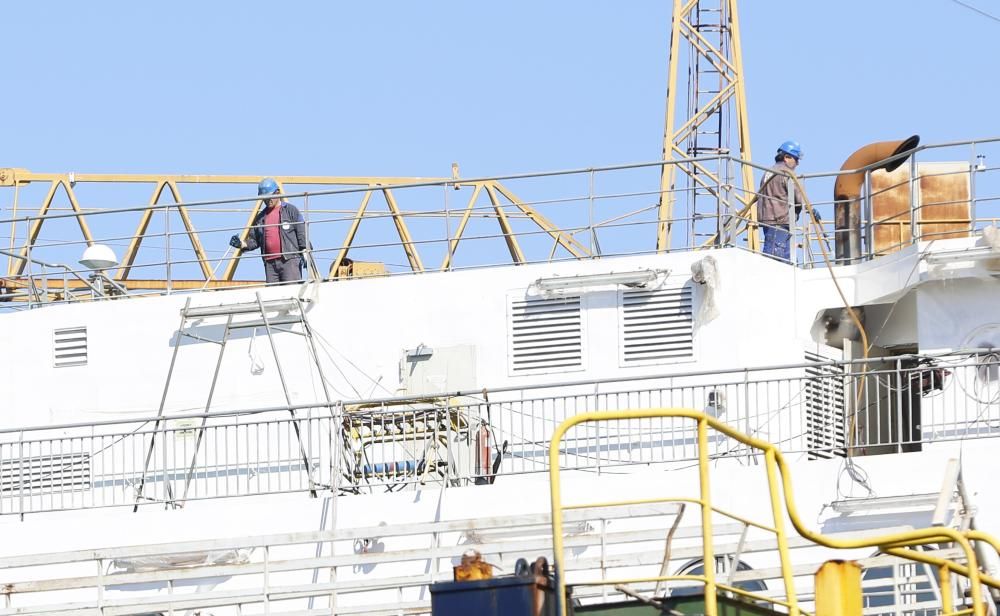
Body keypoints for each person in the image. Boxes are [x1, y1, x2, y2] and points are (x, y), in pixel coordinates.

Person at [229, 178, 308, 283]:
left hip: (289, 260)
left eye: (269, 197)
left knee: (291, 293)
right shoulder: (261, 218)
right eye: (264, 198)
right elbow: (254, 240)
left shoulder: (290, 210)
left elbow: (301, 231)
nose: (267, 200)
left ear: (277, 192)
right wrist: (241, 244)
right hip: (270, 263)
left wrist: (305, 250)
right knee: (273, 296)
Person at [757, 140, 805, 261]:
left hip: (768, 220)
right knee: (775, 258)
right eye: (796, 159)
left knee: (785, 258)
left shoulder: (768, 172)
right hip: (779, 220)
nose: (797, 163)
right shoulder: (787, 173)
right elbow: (799, 198)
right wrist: (809, 208)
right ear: (787, 157)